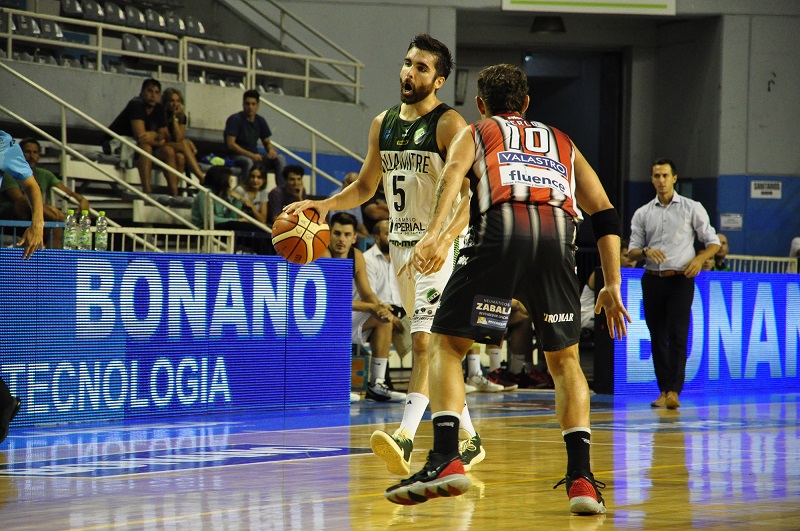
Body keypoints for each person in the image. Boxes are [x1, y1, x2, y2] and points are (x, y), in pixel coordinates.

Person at [384, 64, 631, 515]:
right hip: (558, 240)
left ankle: (445, 457)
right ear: (527, 104)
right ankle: (581, 480)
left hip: (500, 234)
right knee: (565, 362)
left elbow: (452, 178)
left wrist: (434, 236)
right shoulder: (562, 140)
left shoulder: (477, 131)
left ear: (481, 104)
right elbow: (604, 211)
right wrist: (612, 283)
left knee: (446, 345)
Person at [286, 34, 486, 477]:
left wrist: (444, 239)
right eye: (407, 63)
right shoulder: (383, 123)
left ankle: (405, 436)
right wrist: (323, 205)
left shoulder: (450, 124)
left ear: (439, 80)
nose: (409, 73)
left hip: (442, 246)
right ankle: (470, 440)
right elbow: (365, 186)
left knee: (425, 341)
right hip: (400, 247)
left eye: (421, 68)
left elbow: (474, 195)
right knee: (434, 346)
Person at [628, 158, 720, 410]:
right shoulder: (643, 213)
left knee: (678, 334)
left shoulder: (692, 208)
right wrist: (645, 251)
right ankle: (663, 390)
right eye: (656, 176)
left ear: (674, 178)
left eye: (665, 176)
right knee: (657, 336)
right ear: (651, 179)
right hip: (652, 278)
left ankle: (674, 391)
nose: (661, 180)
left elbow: (713, 242)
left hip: (680, 279)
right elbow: (632, 251)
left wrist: (699, 259)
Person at [324, 213, 406, 402]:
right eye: (337, 233)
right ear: (328, 235)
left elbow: (367, 293)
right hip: (323, 320)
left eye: (347, 235)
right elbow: (333, 301)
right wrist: (370, 307)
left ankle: (377, 384)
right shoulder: (323, 254)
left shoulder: (356, 256)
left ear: (354, 238)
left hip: (345, 316)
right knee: (339, 318)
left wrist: (380, 306)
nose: (341, 239)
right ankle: (333, 386)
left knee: (383, 319)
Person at [0, 130, 45, 444]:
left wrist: (37, 223)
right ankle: (3, 402)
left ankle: (3, 402)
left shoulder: (2, 143)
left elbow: (30, 185)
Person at [0, 138, 89, 249]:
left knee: (57, 229)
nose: (31, 156)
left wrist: (82, 200)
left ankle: (53, 260)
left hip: (31, 218)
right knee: (26, 201)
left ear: (39, 156)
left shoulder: (44, 174)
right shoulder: (9, 172)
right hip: (8, 217)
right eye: (27, 152)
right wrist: (52, 211)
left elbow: (69, 193)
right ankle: (63, 220)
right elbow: (21, 200)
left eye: (35, 152)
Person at [105, 78, 181, 196]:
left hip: (140, 144)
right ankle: (147, 191)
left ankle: (174, 194)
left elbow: (165, 135)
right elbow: (140, 137)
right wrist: (158, 139)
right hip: (118, 143)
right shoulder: (136, 104)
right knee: (146, 148)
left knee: (169, 151)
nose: (153, 95)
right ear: (142, 92)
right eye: (149, 91)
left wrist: (154, 135)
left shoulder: (158, 108)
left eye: (156, 92)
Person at [364, 220, 413, 365]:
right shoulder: (367, 259)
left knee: (423, 328)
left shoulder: (401, 256)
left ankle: (419, 375)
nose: (392, 237)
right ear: (377, 237)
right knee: (385, 321)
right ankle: (381, 375)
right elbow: (369, 295)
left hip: (401, 308)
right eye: (387, 234)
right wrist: (391, 316)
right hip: (378, 308)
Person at [224, 89, 285, 184]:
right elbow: (231, 144)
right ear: (243, 104)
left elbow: (267, 142)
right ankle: (245, 189)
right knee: (249, 162)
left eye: (253, 104)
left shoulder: (260, 121)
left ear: (257, 105)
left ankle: (282, 190)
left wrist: (271, 151)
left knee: (280, 159)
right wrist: (251, 155)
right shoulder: (235, 119)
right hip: (236, 156)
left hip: (255, 156)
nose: (250, 107)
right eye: (247, 104)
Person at [580, 238, 636, 331]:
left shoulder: (634, 278)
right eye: (626, 256)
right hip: (588, 315)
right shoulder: (604, 273)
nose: (630, 260)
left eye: (633, 258)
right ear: (617, 257)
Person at [161, 87, 206, 184]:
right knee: (184, 143)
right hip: (161, 146)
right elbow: (168, 138)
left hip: (175, 147)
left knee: (180, 157)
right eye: (172, 101)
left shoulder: (181, 117)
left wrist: (175, 119)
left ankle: (174, 190)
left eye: (178, 101)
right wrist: (173, 119)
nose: (175, 104)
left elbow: (179, 137)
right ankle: (201, 177)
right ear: (166, 102)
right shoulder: (161, 114)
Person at [328, 172, 370, 239]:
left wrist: (369, 237)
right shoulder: (334, 197)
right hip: (340, 229)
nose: (354, 187)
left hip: (351, 229)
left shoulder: (356, 198)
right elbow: (333, 223)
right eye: (351, 183)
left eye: (357, 185)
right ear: (344, 183)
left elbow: (360, 224)